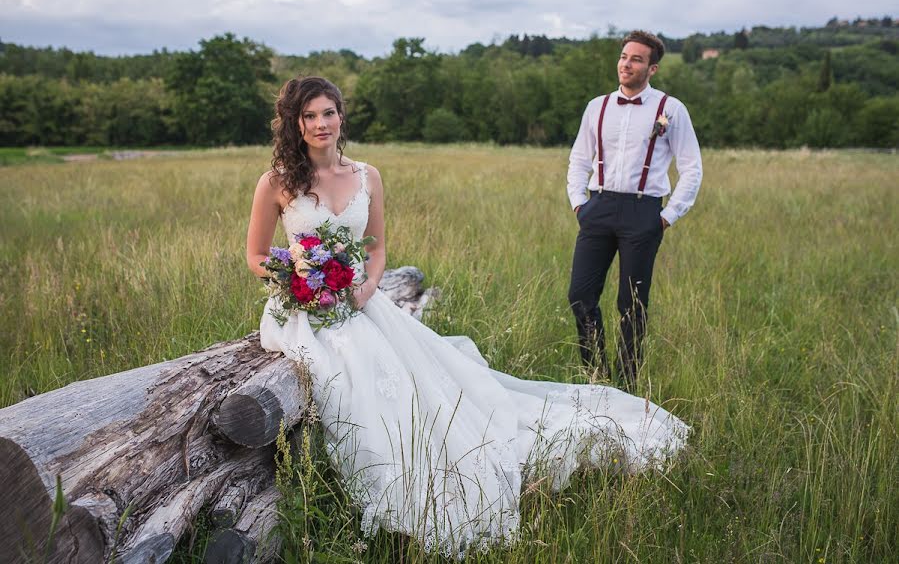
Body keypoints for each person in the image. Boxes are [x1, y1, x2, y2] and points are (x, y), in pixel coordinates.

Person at [247, 76, 689, 557]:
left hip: (361, 302)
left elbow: (376, 250)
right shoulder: (277, 183)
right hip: (304, 312)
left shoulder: (367, 175)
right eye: (308, 116)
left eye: (327, 112)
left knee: (422, 390)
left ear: (341, 115)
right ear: (295, 123)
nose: (320, 124)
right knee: (345, 379)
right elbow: (255, 256)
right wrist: (298, 279)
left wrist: (368, 287)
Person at [567, 30, 702, 389]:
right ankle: (596, 377)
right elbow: (579, 159)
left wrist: (666, 217)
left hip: (644, 213)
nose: (626, 64)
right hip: (597, 208)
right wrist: (579, 204)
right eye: (624, 56)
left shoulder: (671, 110)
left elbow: (692, 167)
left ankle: (626, 385)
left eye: (636, 59)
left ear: (652, 68)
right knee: (580, 295)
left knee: (632, 305)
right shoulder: (597, 107)